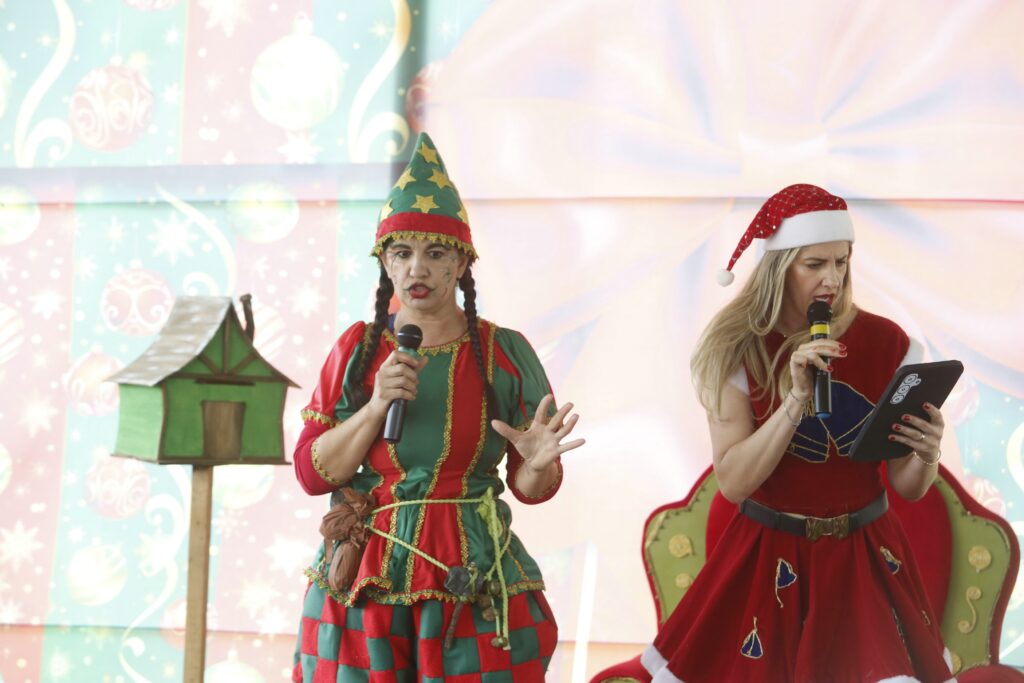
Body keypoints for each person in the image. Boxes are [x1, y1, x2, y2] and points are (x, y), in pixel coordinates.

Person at [289, 132, 584, 682]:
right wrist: (376, 405)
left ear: (461, 261)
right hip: (368, 573)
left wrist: (538, 464)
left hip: (473, 570)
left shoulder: (502, 352)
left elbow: (530, 488)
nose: (417, 269)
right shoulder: (357, 351)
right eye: (402, 253)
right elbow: (311, 474)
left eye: (435, 253)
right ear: (385, 262)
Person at [642, 184, 953, 683]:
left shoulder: (890, 345)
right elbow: (733, 482)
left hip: (864, 559)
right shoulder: (735, 347)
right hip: (767, 557)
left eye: (841, 262)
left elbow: (907, 486)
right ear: (779, 267)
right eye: (815, 264)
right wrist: (795, 400)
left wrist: (927, 453)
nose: (833, 278)